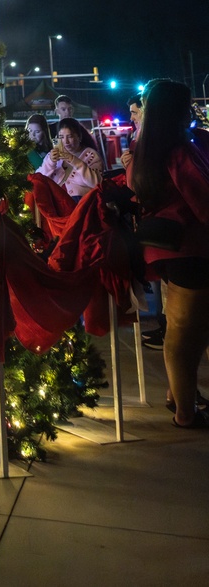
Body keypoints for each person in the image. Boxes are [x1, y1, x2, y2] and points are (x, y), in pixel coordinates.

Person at [127, 78, 209, 429]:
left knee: (180, 328)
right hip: (193, 249)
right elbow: (204, 204)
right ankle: (185, 413)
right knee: (186, 333)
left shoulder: (142, 152)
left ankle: (178, 399)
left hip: (164, 251)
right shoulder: (179, 152)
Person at [39, 119, 102, 200]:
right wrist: (50, 163)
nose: (66, 141)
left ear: (79, 137)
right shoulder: (52, 155)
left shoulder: (91, 155)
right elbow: (39, 178)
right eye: (61, 137)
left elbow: (96, 183)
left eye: (70, 136)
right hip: (55, 200)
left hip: (80, 203)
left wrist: (75, 162)